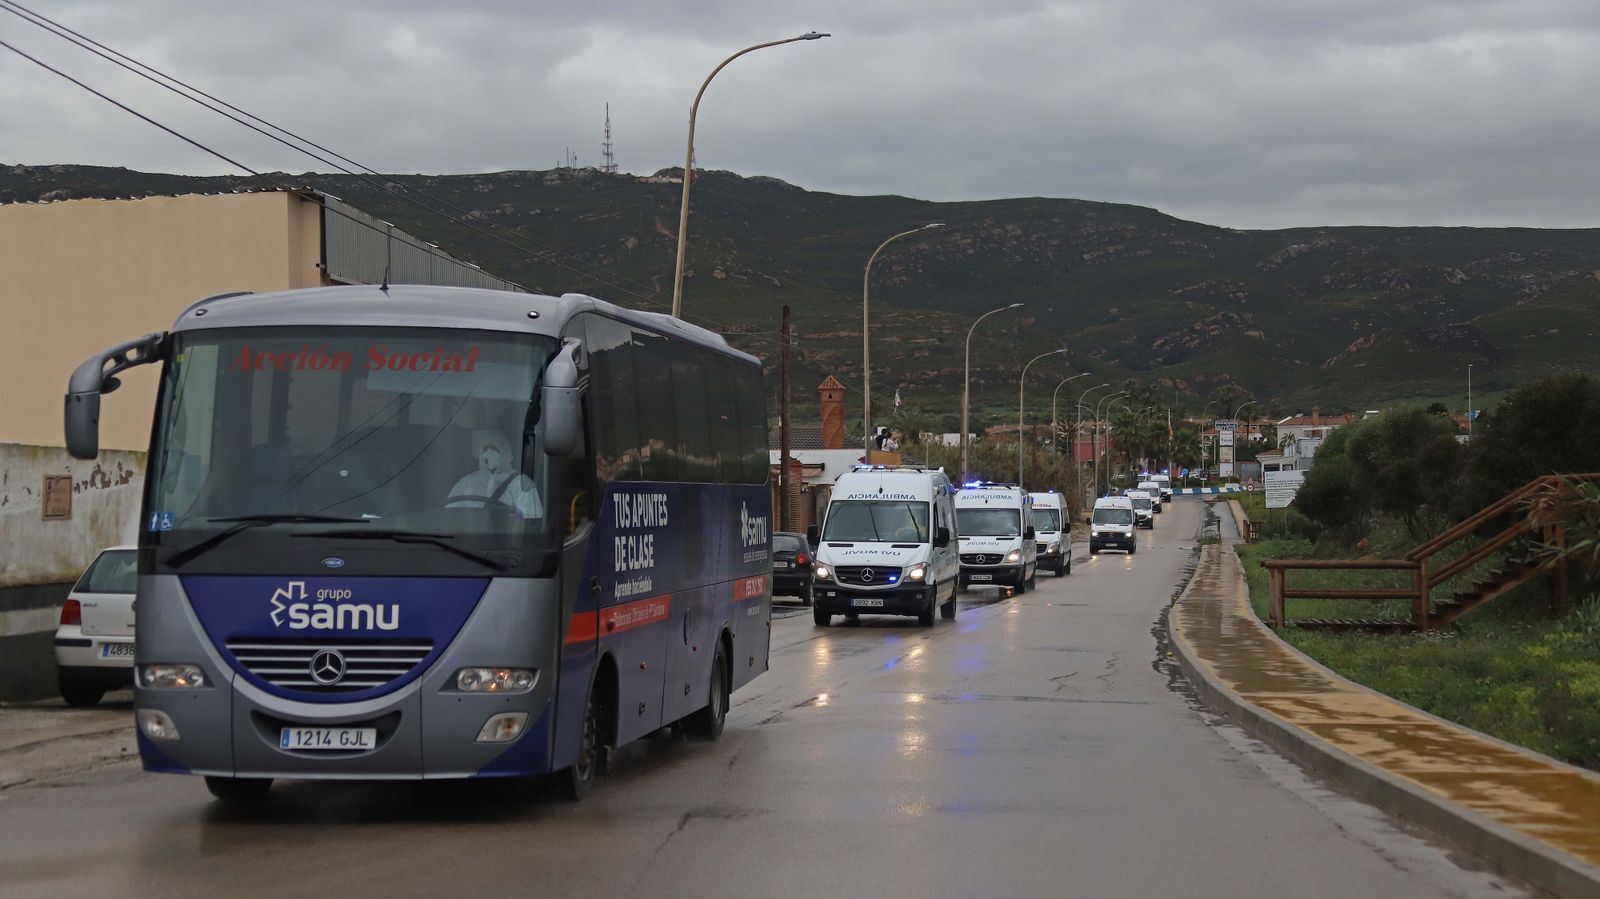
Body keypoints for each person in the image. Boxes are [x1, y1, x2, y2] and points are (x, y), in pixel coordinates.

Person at [446, 430, 544, 519]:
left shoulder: (521, 484)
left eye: (496, 448)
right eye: (485, 449)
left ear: (510, 453)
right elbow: (449, 518)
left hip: (507, 538)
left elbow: (530, 524)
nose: (489, 453)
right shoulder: (466, 483)